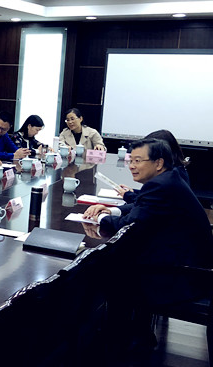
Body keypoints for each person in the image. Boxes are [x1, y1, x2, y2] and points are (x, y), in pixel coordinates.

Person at [82, 138, 213, 307]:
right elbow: (142, 209)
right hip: (189, 264)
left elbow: (127, 226)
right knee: (113, 264)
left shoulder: (159, 186)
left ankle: (119, 323)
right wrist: (111, 211)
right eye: (131, 161)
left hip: (183, 276)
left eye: (138, 161)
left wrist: (99, 218)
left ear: (158, 163)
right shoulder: (169, 179)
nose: (131, 166)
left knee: (105, 271)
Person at [117, 129, 189, 201]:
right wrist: (133, 191)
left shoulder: (170, 177)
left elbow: (149, 202)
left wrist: (127, 195)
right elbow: (153, 195)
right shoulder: (174, 171)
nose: (131, 167)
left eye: (137, 160)